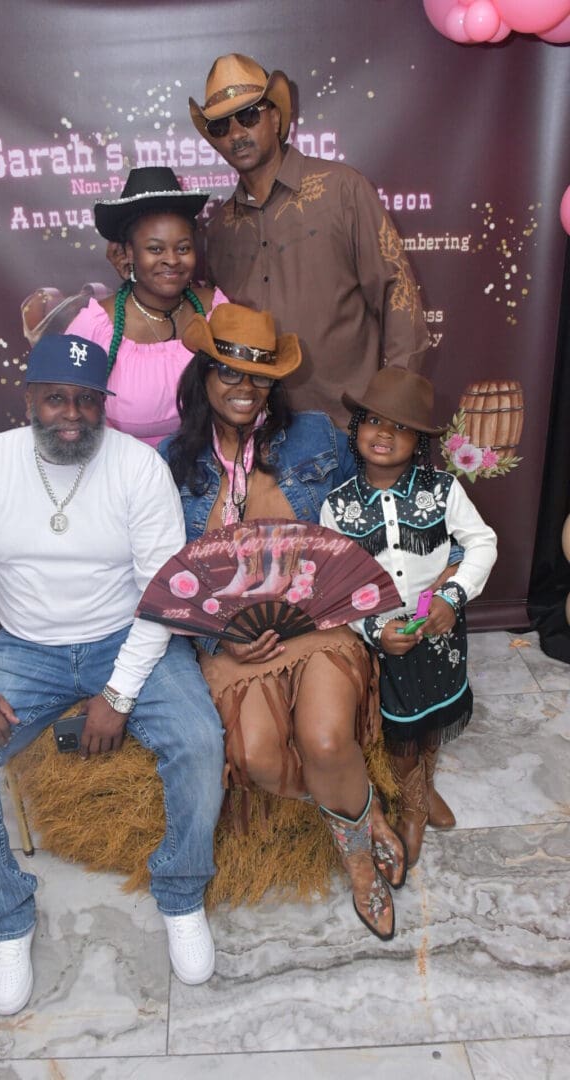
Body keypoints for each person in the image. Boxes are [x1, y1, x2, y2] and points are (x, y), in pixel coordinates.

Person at [0, 333, 225, 1015]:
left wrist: (116, 694)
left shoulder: (137, 467)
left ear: (104, 406)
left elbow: (163, 591)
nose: (72, 413)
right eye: (56, 396)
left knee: (199, 742)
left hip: (128, 632)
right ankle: (6, 916)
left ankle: (180, 893)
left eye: (88, 400)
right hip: (26, 648)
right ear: (29, 398)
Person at [160, 302, 407, 942]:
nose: (245, 389)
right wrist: (225, 636)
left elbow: (371, 514)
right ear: (203, 375)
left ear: (276, 381)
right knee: (261, 759)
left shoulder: (318, 437)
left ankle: (356, 860)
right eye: (229, 372)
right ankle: (361, 806)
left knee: (324, 740)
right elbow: (171, 574)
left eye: (260, 376)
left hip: (316, 626)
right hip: (232, 647)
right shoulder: (172, 462)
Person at [189, 54, 430, 428]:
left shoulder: (341, 189)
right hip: (257, 438)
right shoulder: (220, 229)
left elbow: (396, 293)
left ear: (275, 116)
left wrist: (391, 412)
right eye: (221, 126)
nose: (236, 133)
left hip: (346, 428)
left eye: (249, 115)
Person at [320, 367, 497, 865]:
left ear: (418, 439)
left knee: (434, 717)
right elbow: (337, 587)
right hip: (388, 636)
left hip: (439, 630)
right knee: (401, 728)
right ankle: (415, 804)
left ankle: (420, 796)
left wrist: (454, 595)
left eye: (400, 426)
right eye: (374, 421)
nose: (385, 434)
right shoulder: (337, 506)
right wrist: (374, 629)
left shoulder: (443, 489)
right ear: (356, 430)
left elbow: (482, 542)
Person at [66, 166, 228, 446]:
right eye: (155, 249)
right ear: (129, 252)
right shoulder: (94, 327)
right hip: (126, 482)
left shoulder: (216, 308)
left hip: (208, 478)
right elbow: (64, 416)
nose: (172, 260)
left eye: (183, 248)